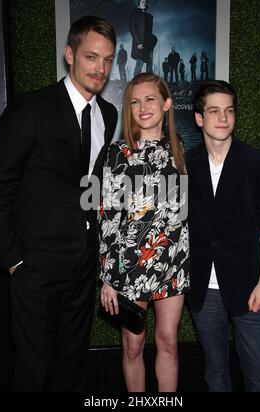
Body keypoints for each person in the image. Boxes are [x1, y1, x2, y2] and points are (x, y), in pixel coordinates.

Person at [0, 16, 117, 392]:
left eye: (108, 60)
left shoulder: (106, 114)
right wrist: (13, 260)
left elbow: (89, 184)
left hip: (81, 265)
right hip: (35, 266)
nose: (101, 69)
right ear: (69, 54)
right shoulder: (30, 110)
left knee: (72, 366)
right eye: (92, 58)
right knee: (34, 369)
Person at [186, 80, 260, 392]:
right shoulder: (185, 165)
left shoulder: (257, 162)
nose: (223, 118)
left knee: (257, 375)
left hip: (250, 285)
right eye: (214, 111)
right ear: (199, 118)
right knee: (215, 374)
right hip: (203, 288)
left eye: (229, 111)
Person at [99, 73, 190, 392]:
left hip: (172, 265)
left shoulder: (178, 148)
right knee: (133, 346)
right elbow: (108, 218)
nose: (142, 107)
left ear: (166, 104)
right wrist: (108, 278)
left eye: (150, 99)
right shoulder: (117, 155)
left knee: (168, 343)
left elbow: (182, 214)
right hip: (130, 267)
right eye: (135, 101)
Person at [129, 0, 157, 77]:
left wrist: (154, 39)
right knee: (139, 64)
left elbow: (149, 32)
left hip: (149, 44)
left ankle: (150, 83)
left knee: (150, 65)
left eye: (145, 2)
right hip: (141, 44)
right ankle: (135, 83)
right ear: (138, 5)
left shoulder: (149, 16)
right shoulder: (135, 14)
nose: (144, 3)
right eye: (142, 2)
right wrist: (138, 42)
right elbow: (132, 28)